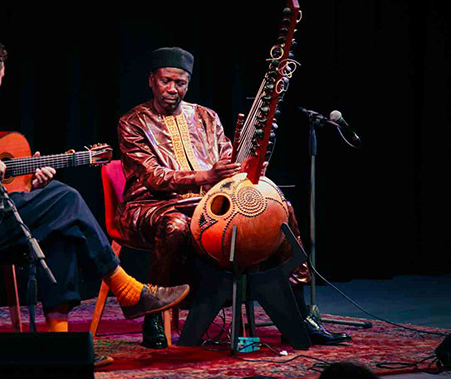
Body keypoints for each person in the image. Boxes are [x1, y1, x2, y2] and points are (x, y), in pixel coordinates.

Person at [0, 33, 190, 365]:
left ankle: (62, 349)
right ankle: (127, 290)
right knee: (65, 199)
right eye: (3, 76)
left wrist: (27, 184)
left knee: (59, 224)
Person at [116, 47, 351, 349]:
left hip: (208, 204)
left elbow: (228, 161)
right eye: (166, 81)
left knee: (282, 210)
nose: (173, 89)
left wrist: (248, 169)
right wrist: (207, 177)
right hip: (150, 205)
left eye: (181, 83)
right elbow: (152, 177)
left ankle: (300, 313)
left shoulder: (206, 117)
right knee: (176, 225)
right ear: (151, 80)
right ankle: (154, 316)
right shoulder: (132, 122)